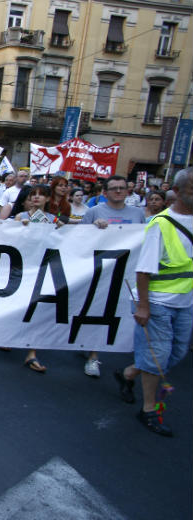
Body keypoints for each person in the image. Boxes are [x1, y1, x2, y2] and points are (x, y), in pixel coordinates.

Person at [115, 168, 192, 437]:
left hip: (186, 302)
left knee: (176, 353)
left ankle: (128, 374)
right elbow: (143, 270)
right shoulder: (161, 224)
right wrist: (144, 306)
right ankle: (149, 410)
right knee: (158, 357)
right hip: (158, 302)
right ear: (179, 192)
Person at [79, 176, 147, 376]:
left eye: (122, 188)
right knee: (100, 311)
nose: (118, 191)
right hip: (100, 269)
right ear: (105, 192)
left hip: (127, 271)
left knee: (123, 311)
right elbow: (79, 240)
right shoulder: (94, 212)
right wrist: (93, 229)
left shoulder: (137, 214)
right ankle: (93, 356)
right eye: (114, 188)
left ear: (127, 191)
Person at [14, 184, 64, 372]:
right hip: (22, 267)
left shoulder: (54, 220)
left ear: (48, 199)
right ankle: (8, 337)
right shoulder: (21, 217)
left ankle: (31, 353)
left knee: (37, 308)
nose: (36, 198)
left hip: (42, 268)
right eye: (33, 195)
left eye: (41, 195)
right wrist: (20, 228)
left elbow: (64, 239)